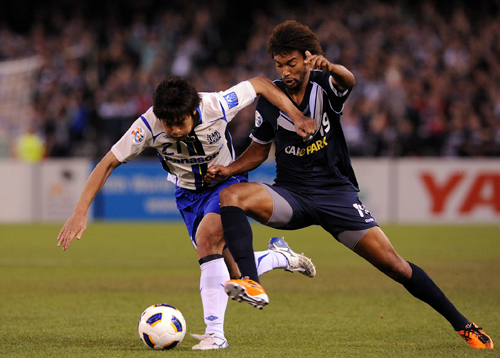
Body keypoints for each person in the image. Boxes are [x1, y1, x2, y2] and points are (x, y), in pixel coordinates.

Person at [205, 20, 494, 350]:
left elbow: (349, 80)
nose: (285, 71)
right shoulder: (269, 99)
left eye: (292, 63)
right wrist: (228, 170)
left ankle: (464, 326)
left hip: (335, 195)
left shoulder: (324, 83)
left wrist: (331, 67)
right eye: (279, 64)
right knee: (231, 196)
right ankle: (250, 281)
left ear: (308, 57)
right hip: (291, 194)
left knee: (396, 266)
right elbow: (257, 152)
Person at [56, 74, 317, 350]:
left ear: (194, 111)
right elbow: (108, 162)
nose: (175, 130)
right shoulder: (147, 125)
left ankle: (216, 335)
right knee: (229, 270)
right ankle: (279, 257)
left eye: (180, 123)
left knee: (207, 240)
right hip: (187, 196)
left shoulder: (216, 105)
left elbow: (262, 84)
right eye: (168, 124)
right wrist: (80, 211)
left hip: (227, 183)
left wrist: (298, 117)